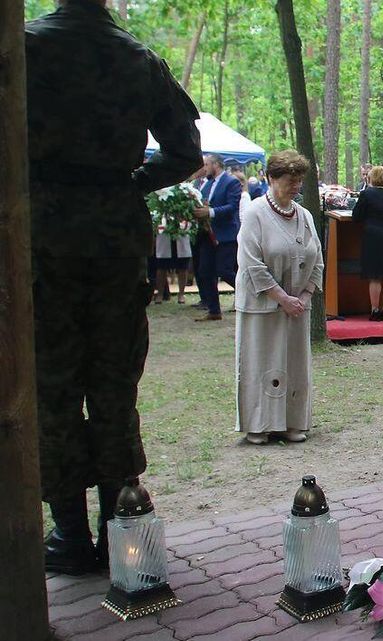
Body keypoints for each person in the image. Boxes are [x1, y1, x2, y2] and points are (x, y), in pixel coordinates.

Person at [26, 0, 202, 576]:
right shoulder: (138, 59)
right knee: (113, 382)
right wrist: (130, 183)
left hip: (41, 235)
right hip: (114, 239)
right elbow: (186, 151)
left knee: (50, 384)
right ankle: (118, 527)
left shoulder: (25, 47)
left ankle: (69, 535)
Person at [235, 150, 325, 445]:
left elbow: (318, 261)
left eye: (299, 180)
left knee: (295, 364)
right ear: (271, 178)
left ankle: (292, 421)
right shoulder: (254, 214)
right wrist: (281, 297)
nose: (296, 185)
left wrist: (304, 295)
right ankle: (259, 424)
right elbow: (252, 264)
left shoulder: (306, 216)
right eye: (290, 180)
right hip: (262, 306)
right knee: (261, 363)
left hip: (298, 306)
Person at [193, 153, 242, 320]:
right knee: (205, 271)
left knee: (224, 270)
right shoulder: (205, 185)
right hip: (207, 234)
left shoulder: (231, 182)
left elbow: (232, 206)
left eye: (206, 164)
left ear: (216, 165)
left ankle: (251, 293)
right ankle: (214, 311)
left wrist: (210, 212)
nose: (204, 168)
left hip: (226, 235)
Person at [353, 166, 383, 321]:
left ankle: (374, 310)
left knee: (374, 275)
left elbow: (357, 216)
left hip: (373, 234)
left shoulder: (366, 194)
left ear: (371, 178)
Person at [153, 221, 192, 305]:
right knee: (161, 267)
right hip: (164, 233)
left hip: (181, 233)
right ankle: (160, 294)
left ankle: (181, 293)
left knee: (183, 267)